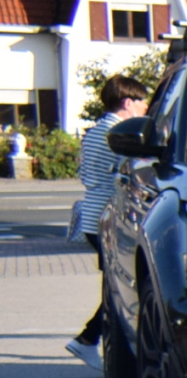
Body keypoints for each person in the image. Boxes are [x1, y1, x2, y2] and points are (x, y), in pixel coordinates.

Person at [70, 73, 152, 347]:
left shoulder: (96, 131)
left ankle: (90, 339)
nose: (145, 108)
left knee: (112, 283)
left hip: (93, 216)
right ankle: (88, 339)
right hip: (107, 216)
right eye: (142, 102)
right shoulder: (118, 134)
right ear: (128, 102)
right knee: (117, 285)